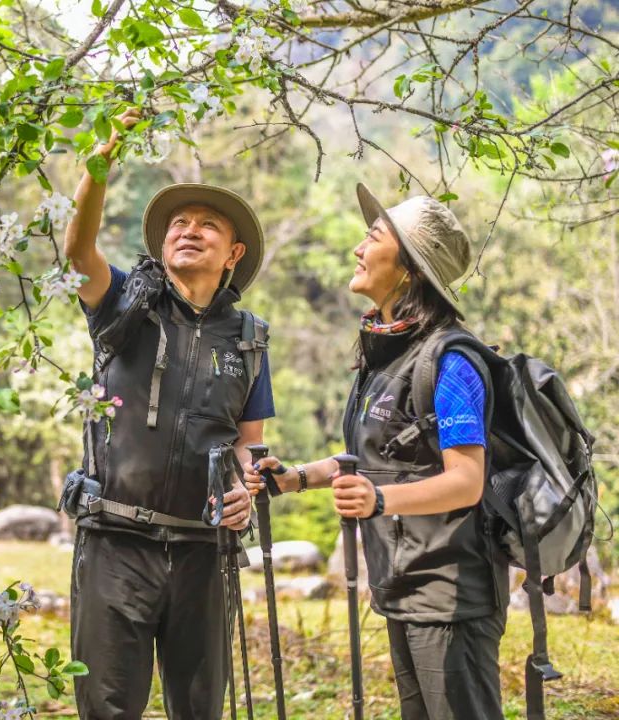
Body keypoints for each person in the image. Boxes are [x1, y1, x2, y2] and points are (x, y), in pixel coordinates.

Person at [252, 184, 508, 719]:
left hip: (450, 597)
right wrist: (295, 477)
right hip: (402, 585)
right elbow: (372, 462)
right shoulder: (385, 355)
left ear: (410, 268)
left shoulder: (451, 360)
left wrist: (379, 502)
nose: (357, 249)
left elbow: (467, 482)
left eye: (373, 236)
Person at [63, 111, 276, 719]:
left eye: (208, 225)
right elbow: (77, 254)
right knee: (108, 706)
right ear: (161, 244)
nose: (189, 230)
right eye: (179, 223)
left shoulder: (250, 338)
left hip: (203, 552)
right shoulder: (126, 304)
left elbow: (249, 445)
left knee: (200, 706)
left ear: (232, 253)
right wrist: (99, 164)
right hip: (114, 542)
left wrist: (244, 487)